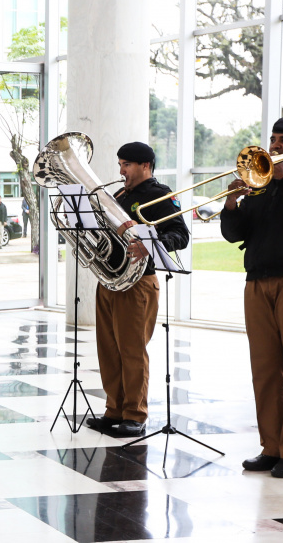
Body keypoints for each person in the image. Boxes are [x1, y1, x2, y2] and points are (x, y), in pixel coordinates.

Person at [221, 117, 283, 478]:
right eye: (273, 139)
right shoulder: (260, 184)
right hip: (258, 282)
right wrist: (231, 204)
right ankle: (272, 447)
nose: (274, 146)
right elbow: (235, 234)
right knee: (265, 370)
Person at [85, 142, 189, 437]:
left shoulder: (160, 195)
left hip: (138, 281)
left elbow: (180, 235)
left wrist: (150, 244)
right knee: (108, 349)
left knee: (132, 350)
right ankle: (113, 410)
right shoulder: (118, 195)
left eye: (126, 165)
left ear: (145, 166)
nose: (121, 171)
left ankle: (135, 414)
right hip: (110, 278)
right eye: (120, 164)